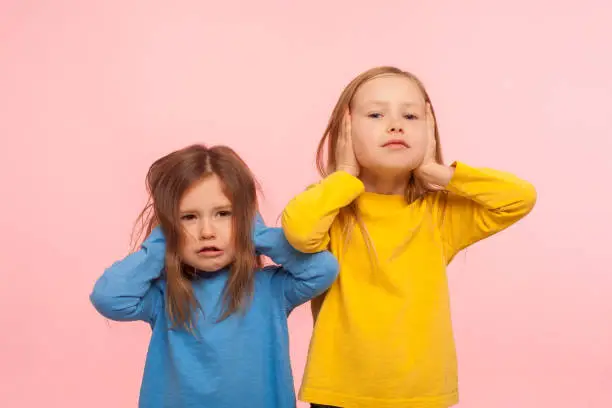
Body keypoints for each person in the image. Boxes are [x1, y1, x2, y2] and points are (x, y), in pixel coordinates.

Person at [281, 66, 537, 408]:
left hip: (422, 394)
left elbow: (520, 198)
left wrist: (436, 171)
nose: (395, 124)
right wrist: (343, 176)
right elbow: (298, 231)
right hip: (339, 392)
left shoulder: (439, 214)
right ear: (344, 131)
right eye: (375, 114)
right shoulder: (332, 206)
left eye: (411, 115)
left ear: (430, 131)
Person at [90, 144, 339, 408]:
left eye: (223, 214)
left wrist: (254, 233)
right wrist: (165, 240)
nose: (207, 231)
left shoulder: (271, 288)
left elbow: (322, 269)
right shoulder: (165, 294)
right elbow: (109, 297)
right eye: (188, 217)